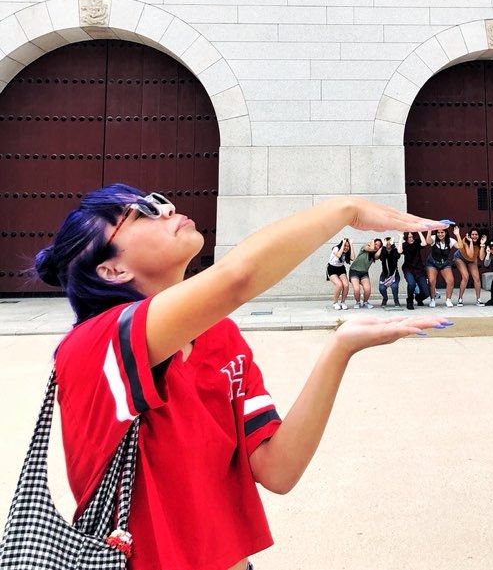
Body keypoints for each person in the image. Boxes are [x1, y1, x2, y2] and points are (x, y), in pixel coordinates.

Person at [24, 184, 444, 570]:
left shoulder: (219, 337)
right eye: (140, 213)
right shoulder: (93, 349)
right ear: (112, 271)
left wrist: (339, 349)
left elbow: (278, 470)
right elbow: (236, 278)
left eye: (158, 201)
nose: (167, 208)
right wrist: (343, 210)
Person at [421, 226, 458, 308]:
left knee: (450, 280)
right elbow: (428, 241)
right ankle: (432, 299)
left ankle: (448, 300)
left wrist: (457, 234)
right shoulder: (434, 238)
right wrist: (429, 230)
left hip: (444, 263)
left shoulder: (450, 241)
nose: (440, 234)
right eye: (438, 232)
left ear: (445, 233)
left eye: (442, 232)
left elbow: (460, 246)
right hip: (432, 263)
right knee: (432, 281)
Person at [452, 225, 487, 306]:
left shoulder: (480, 242)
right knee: (465, 276)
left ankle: (478, 300)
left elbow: (481, 258)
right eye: (473, 234)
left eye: (476, 234)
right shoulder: (465, 240)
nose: (474, 236)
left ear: (479, 235)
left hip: (472, 260)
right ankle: (460, 299)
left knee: (477, 278)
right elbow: (470, 254)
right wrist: (470, 242)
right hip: (460, 258)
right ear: (470, 235)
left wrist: (482, 245)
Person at [401, 231, 430, 310]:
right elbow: (399, 251)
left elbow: (424, 243)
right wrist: (400, 238)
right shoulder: (404, 245)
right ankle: (410, 301)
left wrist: (419, 231)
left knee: (426, 292)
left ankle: (419, 298)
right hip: (408, 269)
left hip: (419, 269)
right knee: (411, 284)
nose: (410, 239)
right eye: (409, 237)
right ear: (406, 238)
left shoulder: (417, 242)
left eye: (412, 237)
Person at [348, 239, 381, 308]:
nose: (376, 246)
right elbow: (371, 248)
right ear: (372, 243)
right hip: (354, 271)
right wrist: (372, 241)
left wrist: (382, 247)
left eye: (378, 245)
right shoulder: (365, 247)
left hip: (364, 273)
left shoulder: (375, 255)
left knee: (367, 289)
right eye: (375, 244)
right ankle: (358, 302)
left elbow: (377, 254)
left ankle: (365, 302)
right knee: (356, 289)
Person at [327, 237, 352, 310]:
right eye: (345, 245)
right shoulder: (336, 248)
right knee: (339, 285)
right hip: (332, 268)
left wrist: (351, 245)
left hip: (341, 269)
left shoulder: (347, 251)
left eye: (348, 246)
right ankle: (335, 302)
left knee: (346, 285)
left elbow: (353, 258)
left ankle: (343, 302)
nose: (346, 248)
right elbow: (338, 255)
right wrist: (343, 244)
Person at [378, 235, 401, 307]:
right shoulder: (383, 251)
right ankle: (385, 298)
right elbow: (382, 258)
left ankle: (396, 300)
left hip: (394, 274)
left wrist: (393, 245)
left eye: (389, 243)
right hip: (384, 274)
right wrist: (383, 247)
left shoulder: (394, 251)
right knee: (382, 288)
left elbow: (397, 256)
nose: (388, 244)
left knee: (394, 287)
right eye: (386, 243)